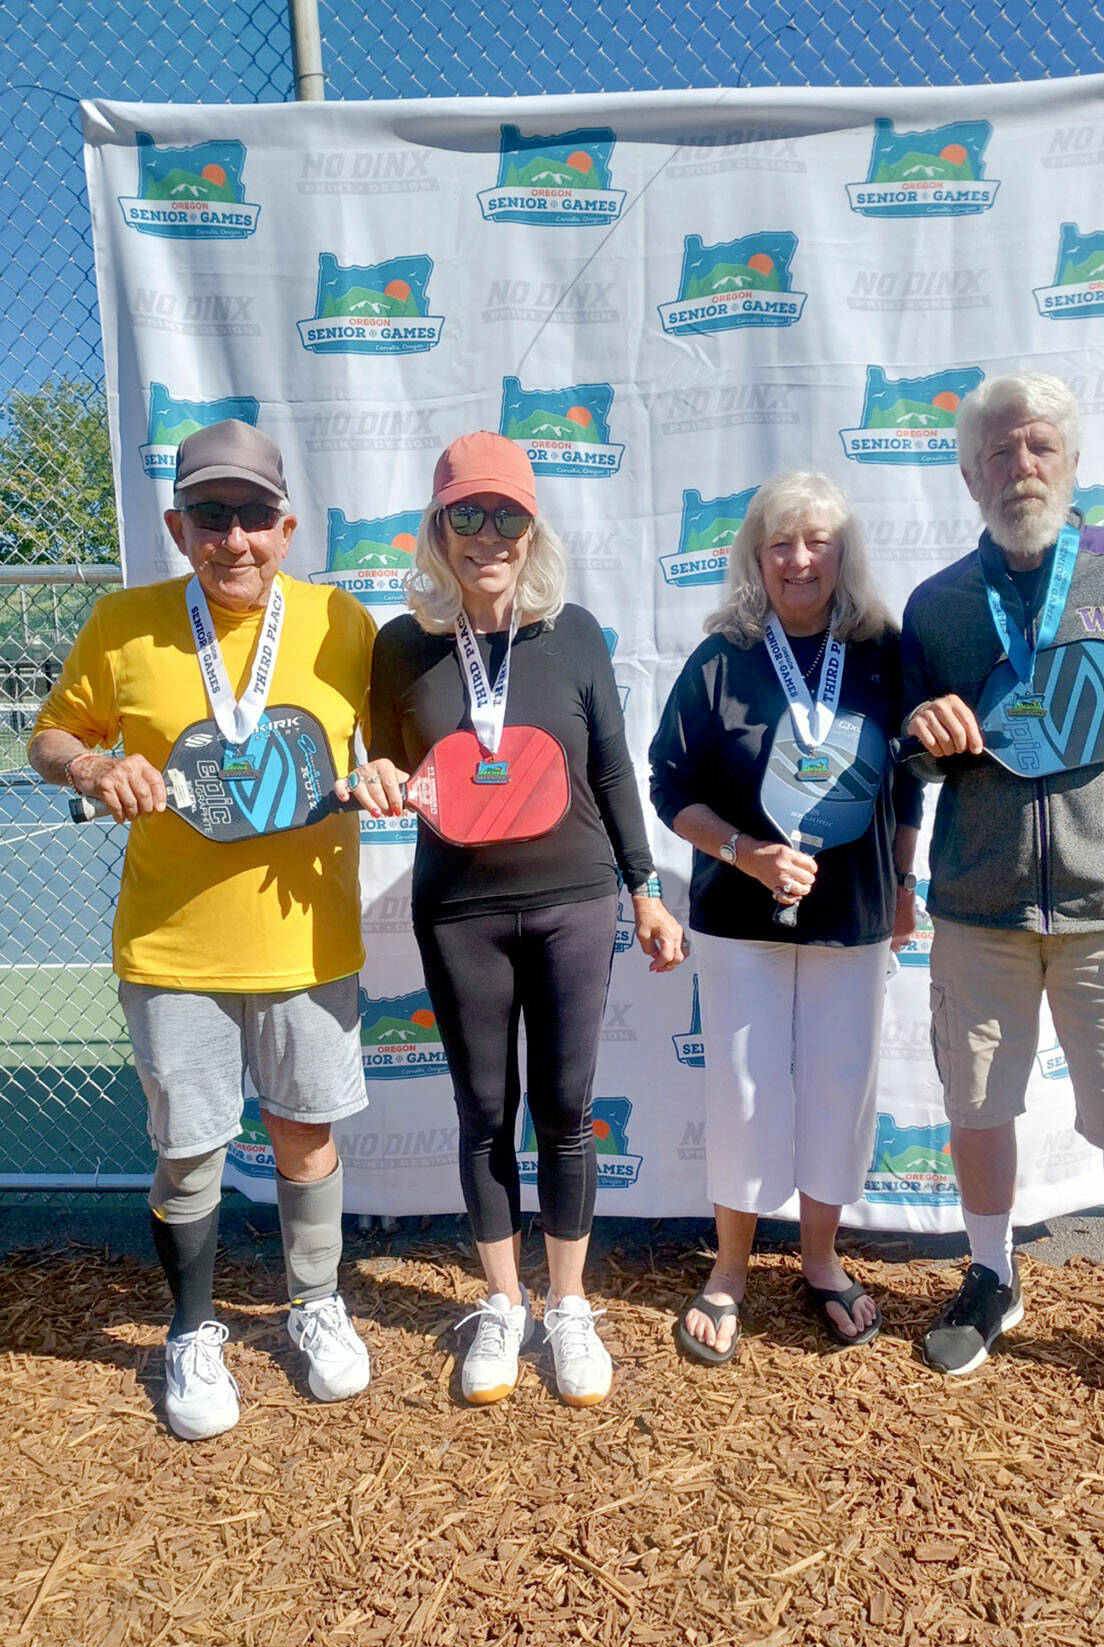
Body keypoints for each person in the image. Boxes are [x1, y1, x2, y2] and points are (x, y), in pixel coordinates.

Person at [29, 420, 405, 1441]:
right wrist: (90, 767)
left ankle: (314, 1304)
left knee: (304, 1136)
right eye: (210, 516)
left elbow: (395, 752)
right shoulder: (125, 621)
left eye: (251, 517)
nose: (232, 539)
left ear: (287, 527)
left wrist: (384, 775)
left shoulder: (343, 624)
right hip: (173, 947)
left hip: (304, 943)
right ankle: (192, 1329)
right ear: (177, 524)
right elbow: (52, 732)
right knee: (189, 1153)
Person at [900, 371, 1104, 1444]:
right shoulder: (936, 604)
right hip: (980, 911)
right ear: (966, 473)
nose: (1018, 466)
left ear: (1073, 461)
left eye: (1037, 445)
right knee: (976, 1109)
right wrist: (923, 738)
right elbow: (909, 762)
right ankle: (990, 1277)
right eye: (995, 451)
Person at [369, 431, 683, 1408]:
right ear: (437, 530)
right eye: (465, 514)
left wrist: (642, 885)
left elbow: (610, 770)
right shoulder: (399, 647)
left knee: (565, 1113)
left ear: (531, 528)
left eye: (505, 514)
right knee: (481, 1116)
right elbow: (384, 768)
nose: (486, 534)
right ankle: (503, 1304)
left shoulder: (574, 633)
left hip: (575, 902)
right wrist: (376, 780)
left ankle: (569, 1306)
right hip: (457, 910)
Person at [649, 472, 922, 1364]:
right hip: (738, 916)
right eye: (780, 543)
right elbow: (670, 786)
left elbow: (911, 777)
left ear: (844, 555)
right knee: (743, 1088)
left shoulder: (885, 648)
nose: (799, 560)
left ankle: (820, 1259)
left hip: (853, 915)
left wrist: (906, 882)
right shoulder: (721, 656)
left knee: (840, 1090)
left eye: (818, 542)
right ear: (755, 558)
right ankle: (729, 1269)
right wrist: (746, 852)